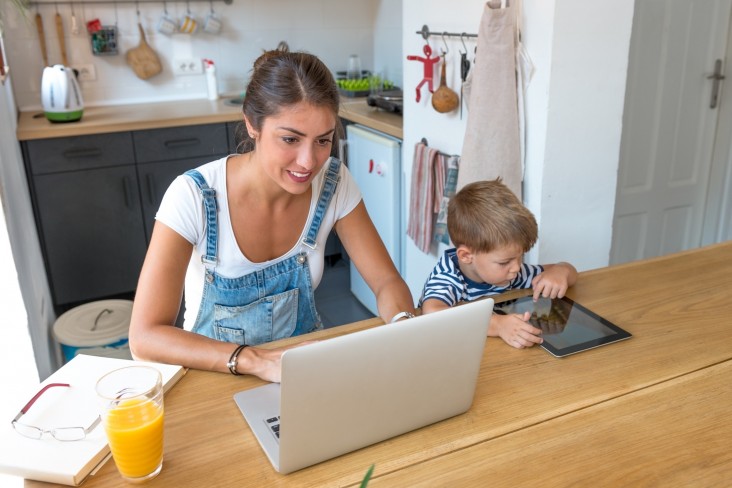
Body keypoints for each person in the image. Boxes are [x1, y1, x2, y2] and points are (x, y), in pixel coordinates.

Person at [129, 47, 415, 382]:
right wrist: (257, 361)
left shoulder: (334, 184)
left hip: (301, 372)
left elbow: (386, 281)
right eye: (290, 139)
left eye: (323, 140)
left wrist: (406, 327)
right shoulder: (193, 196)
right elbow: (145, 336)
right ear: (252, 124)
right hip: (212, 372)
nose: (308, 162)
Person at [419, 179, 577, 349]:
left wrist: (562, 270)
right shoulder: (447, 277)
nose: (517, 267)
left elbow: (568, 273)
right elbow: (431, 313)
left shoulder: (510, 273)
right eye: (505, 262)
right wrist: (497, 325)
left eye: (520, 257)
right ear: (466, 256)